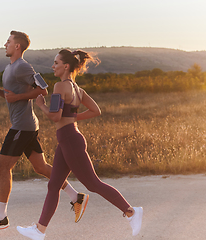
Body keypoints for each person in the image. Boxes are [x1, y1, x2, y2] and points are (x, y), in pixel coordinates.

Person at [16, 49, 143, 240]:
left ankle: (131, 212)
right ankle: (39, 230)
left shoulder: (60, 86)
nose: (53, 66)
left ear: (66, 66)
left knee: (93, 183)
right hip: (69, 139)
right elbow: (95, 110)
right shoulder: (77, 89)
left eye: (56, 63)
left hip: (69, 141)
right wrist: (74, 116)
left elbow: (55, 116)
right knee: (53, 186)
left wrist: (41, 104)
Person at [0, 32, 88, 232]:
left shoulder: (23, 66)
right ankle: (76, 196)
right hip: (26, 125)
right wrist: (0, 93)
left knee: (3, 169)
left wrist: (18, 96)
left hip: (22, 126)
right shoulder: (10, 67)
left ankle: (1, 218)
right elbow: (13, 98)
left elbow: (43, 89)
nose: (5, 44)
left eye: (9, 42)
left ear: (17, 46)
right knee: (41, 167)